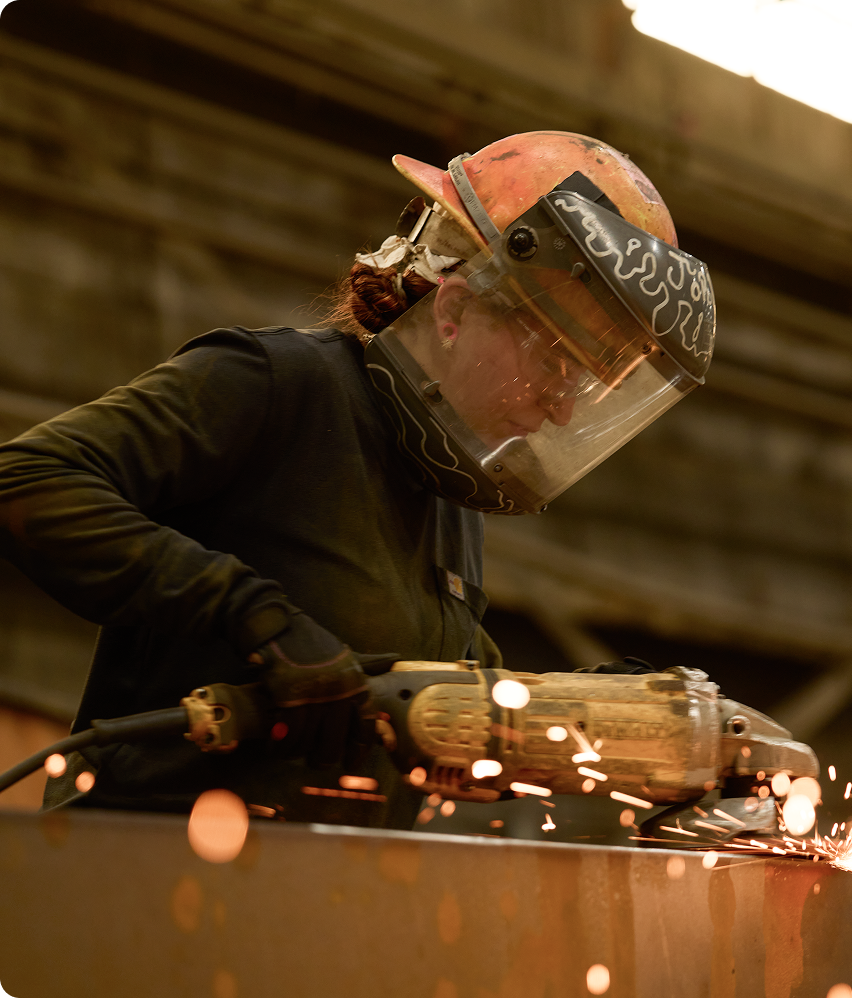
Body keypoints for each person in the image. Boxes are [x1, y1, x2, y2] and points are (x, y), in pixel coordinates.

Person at [0, 130, 716, 827]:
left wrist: (575, 708)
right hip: (145, 876)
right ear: (458, 309)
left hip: (322, 902)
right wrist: (258, 620)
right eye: (556, 362)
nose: (561, 405)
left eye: (585, 382)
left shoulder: (444, 490)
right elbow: (28, 478)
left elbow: (427, 702)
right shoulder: (280, 385)